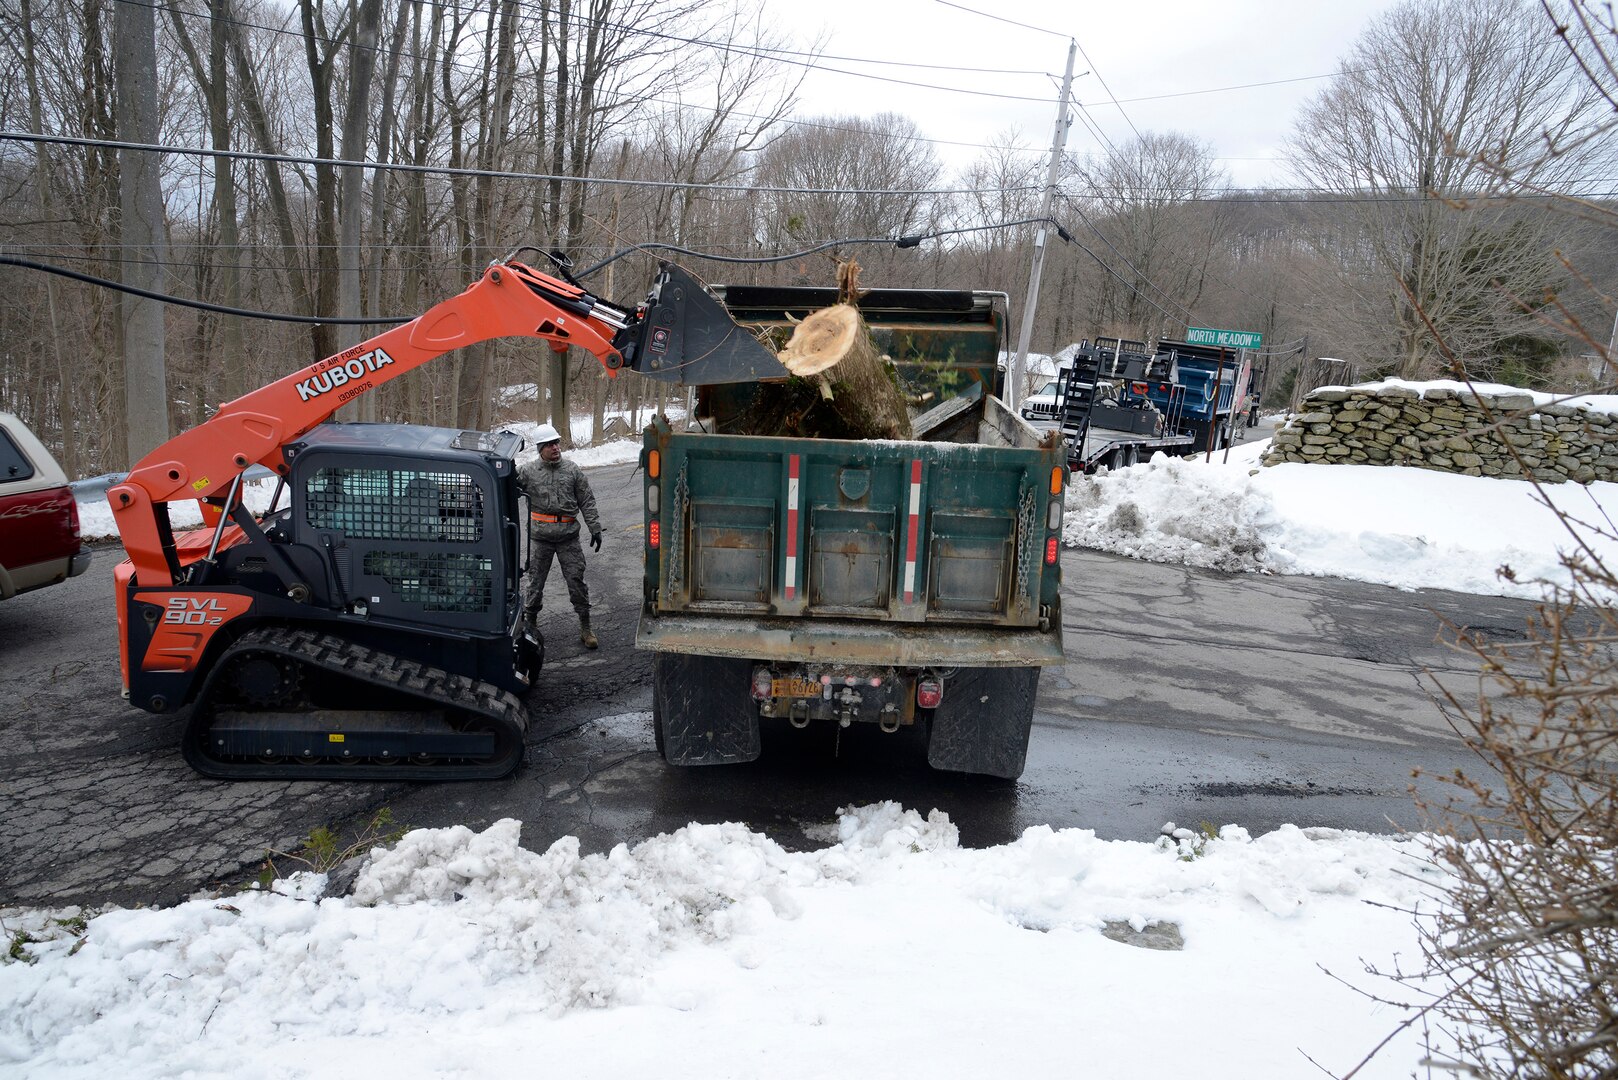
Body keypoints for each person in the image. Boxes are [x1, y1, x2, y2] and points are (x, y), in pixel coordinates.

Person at [516, 423, 602, 648]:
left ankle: (586, 628)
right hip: (540, 539)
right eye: (549, 445)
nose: (555, 448)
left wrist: (595, 528)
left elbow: (587, 500)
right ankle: (530, 629)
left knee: (576, 581)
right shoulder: (528, 472)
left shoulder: (572, 470)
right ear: (540, 448)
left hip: (568, 539)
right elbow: (507, 485)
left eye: (556, 443)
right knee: (535, 584)